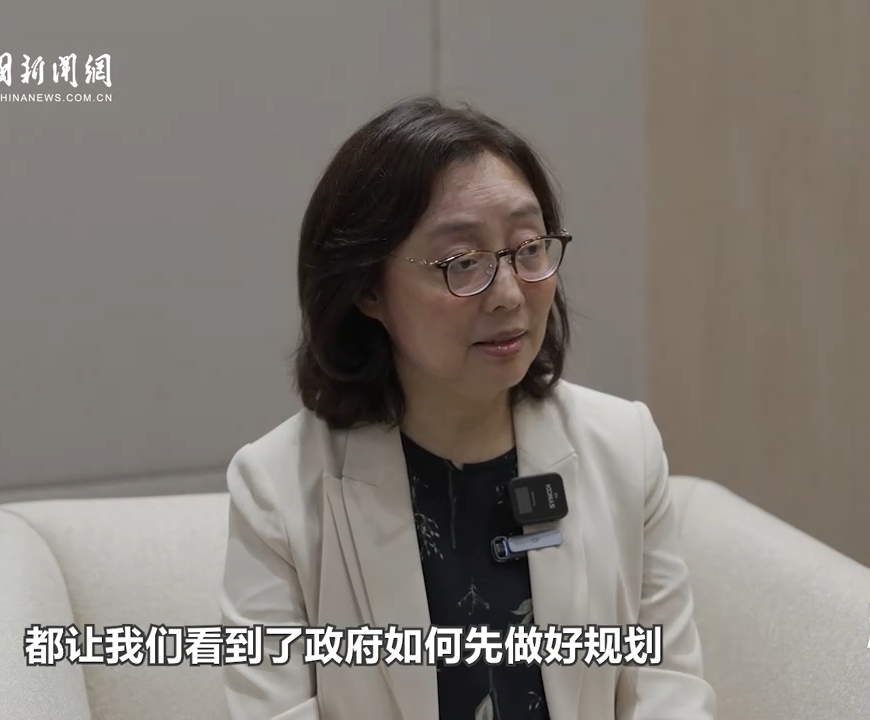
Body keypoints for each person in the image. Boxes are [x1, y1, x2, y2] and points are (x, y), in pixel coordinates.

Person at [220, 95, 717, 720]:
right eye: (463, 263)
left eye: (528, 248)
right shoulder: (277, 489)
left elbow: (669, 688)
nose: (508, 294)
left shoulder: (624, 446)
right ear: (368, 288)